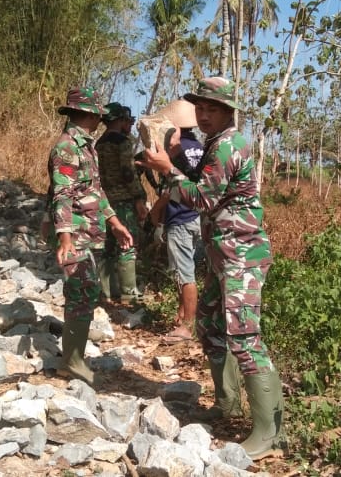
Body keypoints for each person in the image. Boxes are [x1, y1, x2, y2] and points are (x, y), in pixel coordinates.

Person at [136, 77, 284, 460]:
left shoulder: (229, 144)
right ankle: (227, 403)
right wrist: (172, 159)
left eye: (212, 108)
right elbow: (200, 177)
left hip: (242, 254)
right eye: (199, 108)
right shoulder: (214, 144)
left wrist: (168, 169)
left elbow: (202, 196)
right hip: (223, 253)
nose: (203, 114)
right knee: (211, 324)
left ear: (228, 111)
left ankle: (269, 431)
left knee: (244, 336)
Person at [46, 87, 133, 386]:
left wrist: (114, 221)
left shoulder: (87, 145)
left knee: (87, 291)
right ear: (89, 114)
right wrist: (65, 238)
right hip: (76, 234)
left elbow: (94, 189)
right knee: (80, 292)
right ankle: (71, 362)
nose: (100, 120)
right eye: (98, 114)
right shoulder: (67, 147)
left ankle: (74, 358)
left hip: (89, 231)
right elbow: (62, 194)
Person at [148, 100, 206, 346]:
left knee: (185, 274)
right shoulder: (200, 148)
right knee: (188, 268)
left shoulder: (173, 151)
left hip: (180, 217)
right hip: (197, 218)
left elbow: (170, 189)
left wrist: (156, 214)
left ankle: (187, 327)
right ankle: (182, 316)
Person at [95, 102, 147, 305]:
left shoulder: (99, 144)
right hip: (124, 200)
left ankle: (107, 291)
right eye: (128, 121)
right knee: (127, 244)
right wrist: (139, 198)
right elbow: (128, 173)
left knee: (108, 246)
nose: (130, 125)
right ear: (120, 120)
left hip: (105, 201)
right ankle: (129, 295)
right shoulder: (122, 142)